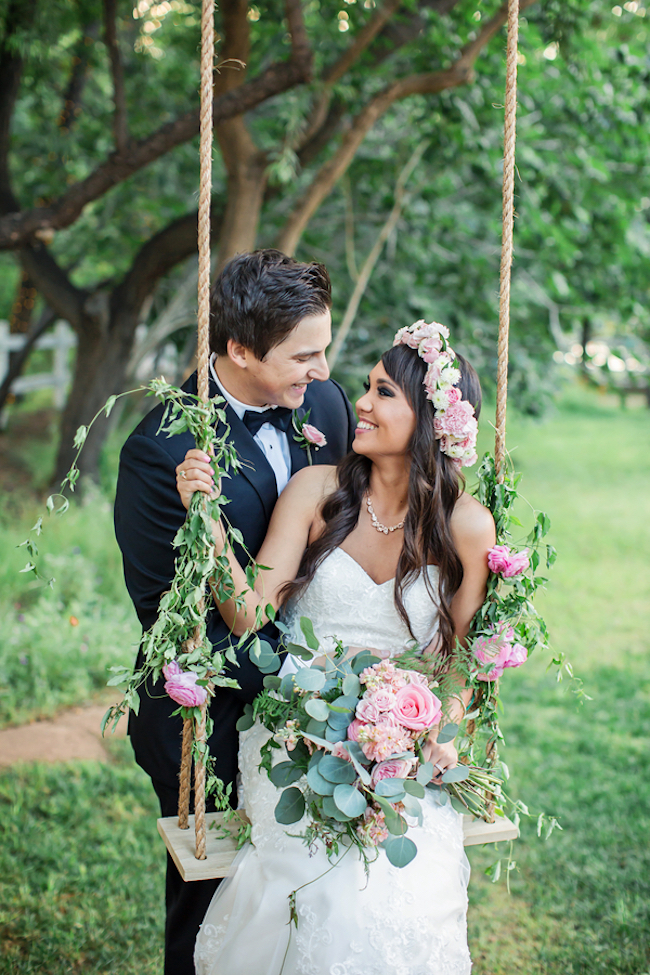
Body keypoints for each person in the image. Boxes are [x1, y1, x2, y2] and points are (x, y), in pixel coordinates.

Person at [175, 320, 496, 975]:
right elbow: (247, 614)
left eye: (384, 392)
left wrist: (448, 729)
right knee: (323, 889)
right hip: (296, 726)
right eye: (369, 387)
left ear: (432, 423)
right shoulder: (316, 493)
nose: (363, 404)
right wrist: (206, 523)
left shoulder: (466, 525)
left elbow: (460, 659)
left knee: (398, 892)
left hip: (404, 741)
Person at [114, 250, 356, 975]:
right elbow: (173, 616)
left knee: (309, 888)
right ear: (240, 349)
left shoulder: (327, 405)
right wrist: (304, 689)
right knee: (213, 903)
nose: (320, 369)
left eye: (325, 348)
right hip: (209, 715)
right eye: (303, 354)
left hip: (324, 705)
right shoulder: (162, 451)